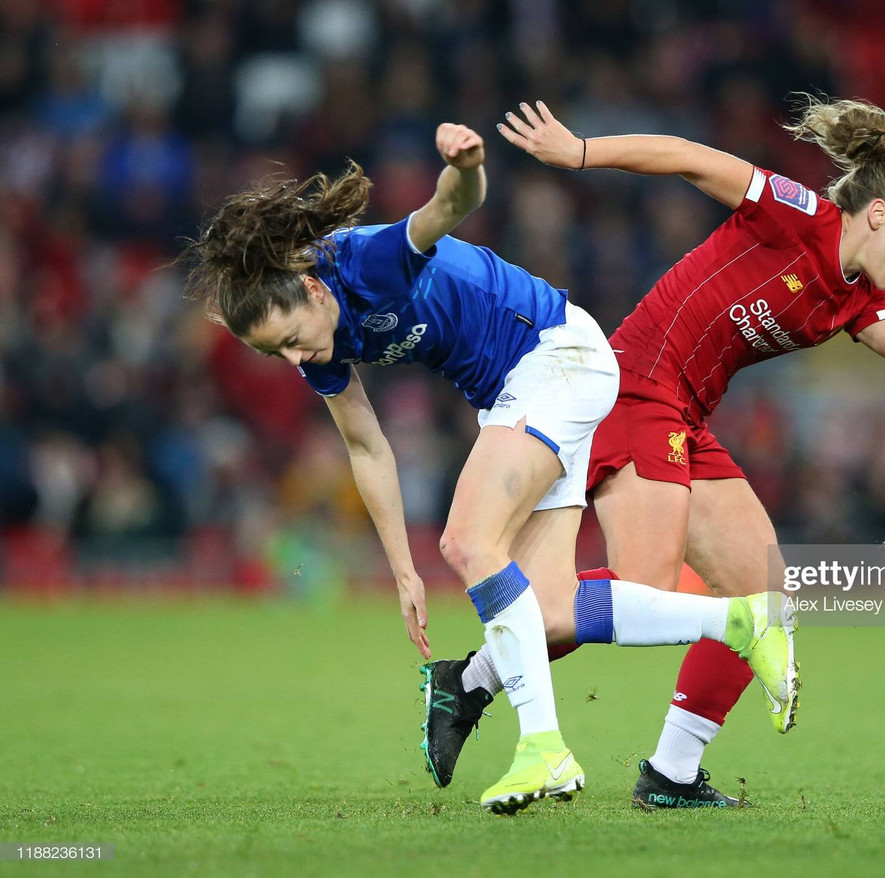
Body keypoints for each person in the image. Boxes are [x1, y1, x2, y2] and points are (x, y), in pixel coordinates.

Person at [421, 97, 885, 809]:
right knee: (646, 586)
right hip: (633, 388)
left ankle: (669, 773)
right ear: (880, 215)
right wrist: (579, 151)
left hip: (687, 416)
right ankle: (475, 679)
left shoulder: (853, 300)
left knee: (763, 596)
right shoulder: (797, 215)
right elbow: (689, 157)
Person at [180, 123, 797, 815]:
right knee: (551, 609)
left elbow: (447, 209)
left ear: (312, 291)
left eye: (291, 340)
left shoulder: (367, 265)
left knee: (469, 542)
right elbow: (366, 446)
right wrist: (402, 571)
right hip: (523, 390)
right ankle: (739, 621)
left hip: (557, 358)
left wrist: (465, 167)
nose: (296, 361)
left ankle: (544, 748)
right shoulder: (321, 347)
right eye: (276, 355)